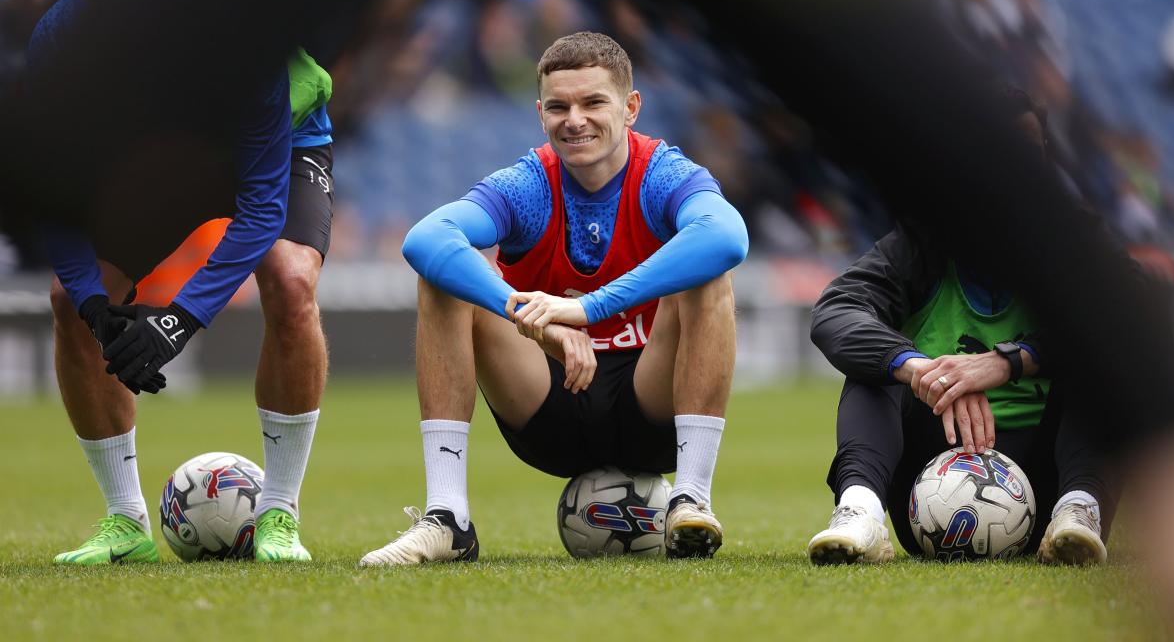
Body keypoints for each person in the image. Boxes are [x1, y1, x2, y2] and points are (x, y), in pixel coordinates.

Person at [360, 32, 747, 565]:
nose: (575, 119)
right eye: (559, 106)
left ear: (631, 108)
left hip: (654, 405)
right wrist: (531, 318)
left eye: (594, 102)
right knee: (443, 276)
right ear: (540, 112)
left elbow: (728, 238)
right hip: (551, 402)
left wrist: (589, 308)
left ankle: (691, 498)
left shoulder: (662, 173)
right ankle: (448, 518)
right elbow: (425, 238)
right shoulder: (529, 184)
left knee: (710, 274)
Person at [37, 0, 335, 565]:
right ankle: (125, 522)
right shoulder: (63, 41)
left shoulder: (247, 45)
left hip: (281, 138)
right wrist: (97, 307)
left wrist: (176, 324)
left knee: (291, 279)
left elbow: (260, 213)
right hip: (161, 162)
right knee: (69, 302)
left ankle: (278, 512)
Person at [806, 89, 1114, 566]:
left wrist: (1007, 362)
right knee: (876, 364)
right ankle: (860, 512)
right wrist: (923, 371)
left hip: (1048, 477)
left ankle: (1080, 509)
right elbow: (835, 311)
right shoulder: (919, 243)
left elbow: (1130, 323)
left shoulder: (1076, 243)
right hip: (926, 488)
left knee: (1107, 360)